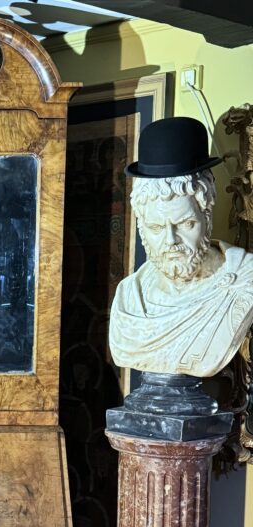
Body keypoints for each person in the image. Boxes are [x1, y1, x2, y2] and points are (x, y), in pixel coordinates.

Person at [109, 116, 253, 377]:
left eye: (185, 224)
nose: (170, 240)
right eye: (155, 227)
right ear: (141, 226)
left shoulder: (245, 281)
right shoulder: (129, 297)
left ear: (206, 215)